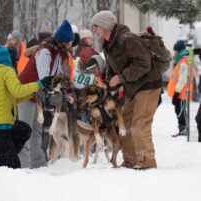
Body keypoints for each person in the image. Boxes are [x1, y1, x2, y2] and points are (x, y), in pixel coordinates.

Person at [91, 10, 162, 169]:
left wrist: (121, 78)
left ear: (105, 26)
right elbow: (114, 70)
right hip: (133, 87)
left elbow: (144, 62)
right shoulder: (108, 45)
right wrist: (107, 82)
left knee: (139, 124)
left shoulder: (127, 39)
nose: (94, 30)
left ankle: (147, 163)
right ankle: (131, 161)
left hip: (148, 85)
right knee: (124, 124)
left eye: (96, 26)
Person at [0, 45, 53, 169]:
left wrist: (33, 92)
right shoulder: (7, 71)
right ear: (6, 57)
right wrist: (39, 83)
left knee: (24, 130)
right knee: (12, 165)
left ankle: (8, 156)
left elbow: (14, 97)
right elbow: (17, 91)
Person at [18, 20, 75, 168]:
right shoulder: (46, 52)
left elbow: (57, 75)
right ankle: (23, 167)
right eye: (69, 43)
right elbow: (45, 78)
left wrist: (65, 91)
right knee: (24, 130)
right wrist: (54, 96)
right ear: (64, 41)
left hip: (36, 95)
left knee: (36, 131)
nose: (70, 46)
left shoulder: (57, 53)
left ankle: (38, 164)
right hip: (25, 92)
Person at [167, 40, 194, 137]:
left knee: (180, 111)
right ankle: (183, 128)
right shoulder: (181, 61)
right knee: (179, 110)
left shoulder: (183, 62)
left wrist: (176, 92)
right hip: (181, 92)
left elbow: (182, 79)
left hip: (182, 92)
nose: (174, 53)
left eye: (175, 51)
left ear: (179, 51)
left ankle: (184, 128)